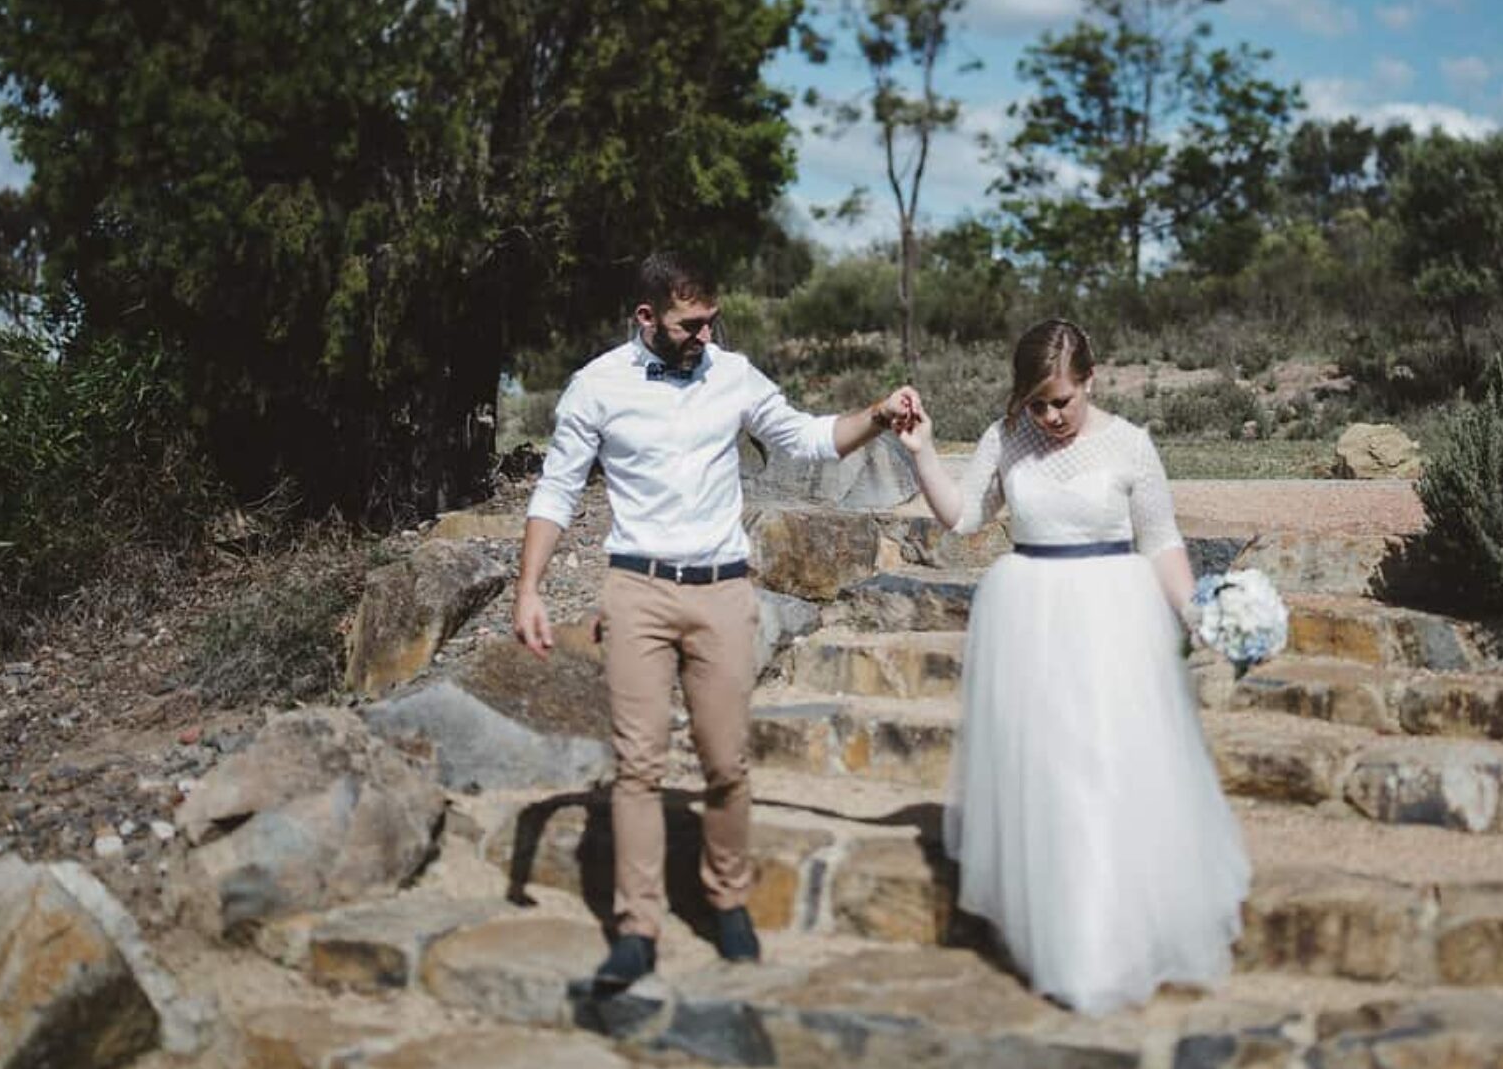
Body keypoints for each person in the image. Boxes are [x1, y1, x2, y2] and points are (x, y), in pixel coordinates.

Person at [513, 250, 917, 990]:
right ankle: (637, 927)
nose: (705, 335)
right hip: (636, 590)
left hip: (723, 589)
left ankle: (726, 898)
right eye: (689, 324)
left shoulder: (732, 374)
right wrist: (528, 588)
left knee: (726, 761)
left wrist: (879, 417)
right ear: (646, 319)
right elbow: (556, 489)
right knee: (637, 765)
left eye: (711, 321)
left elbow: (806, 438)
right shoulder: (595, 387)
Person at [897, 318, 1250, 1014]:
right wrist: (922, 452)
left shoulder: (1130, 446)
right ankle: (1066, 942)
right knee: (1052, 775)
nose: (1051, 416)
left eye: (1063, 400)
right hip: (1029, 620)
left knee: (1107, 770)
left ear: (1091, 379)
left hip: (1114, 622)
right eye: (1037, 403)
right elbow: (964, 518)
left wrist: (1198, 614)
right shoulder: (1007, 439)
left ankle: (1112, 941)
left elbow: (1161, 541)